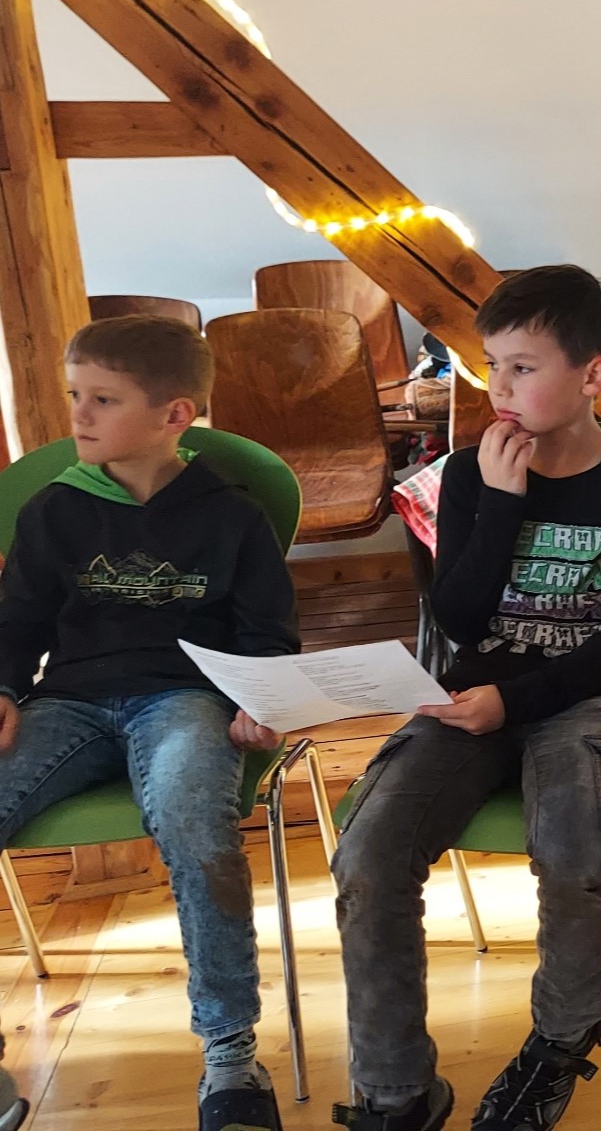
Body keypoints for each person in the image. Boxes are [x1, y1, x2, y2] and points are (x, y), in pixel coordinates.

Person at [330, 265, 601, 1131]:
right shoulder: (469, 473)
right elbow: (457, 617)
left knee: (577, 851)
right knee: (368, 855)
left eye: (523, 367)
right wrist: (499, 503)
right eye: (492, 365)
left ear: (592, 374)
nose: (500, 387)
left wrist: (514, 703)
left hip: (583, 699)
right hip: (467, 697)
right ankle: (395, 1090)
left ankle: (559, 1041)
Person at [0, 315, 299, 1131]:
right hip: (67, 701)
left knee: (197, 825)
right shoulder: (54, 510)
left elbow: (268, 634)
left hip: (184, 699)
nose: (79, 414)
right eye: (75, 394)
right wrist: (4, 687)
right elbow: (18, 621)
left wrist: (260, 700)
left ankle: (231, 1059)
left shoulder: (232, 515)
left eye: (104, 399)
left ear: (175, 414)